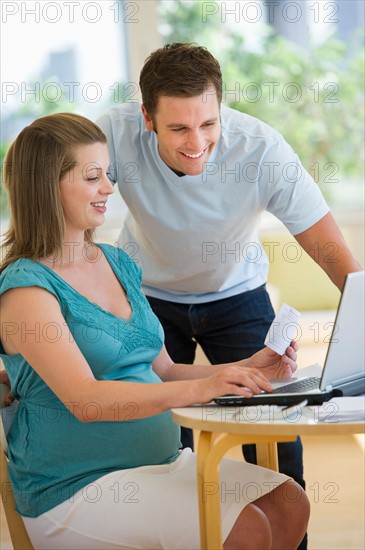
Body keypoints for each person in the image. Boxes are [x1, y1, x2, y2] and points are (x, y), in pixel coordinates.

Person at [0, 112, 309, 549]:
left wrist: (248, 368)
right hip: (77, 488)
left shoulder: (116, 262)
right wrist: (199, 391)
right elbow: (86, 400)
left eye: (108, 173)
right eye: (93, 177)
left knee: (287, 501)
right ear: (46, 187)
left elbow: (163, 371)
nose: (109, 187)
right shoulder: (26, 290)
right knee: (246, 529)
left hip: (162, 464)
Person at [96, 42, 362, 549]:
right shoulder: (112, 134)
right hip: (149, 297)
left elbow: (332, 252)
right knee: (164, 444)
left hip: (236, 295)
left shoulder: (261, 148)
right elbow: (64, 214)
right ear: (147, 118)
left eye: (209, 124)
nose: (197, 141)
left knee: (277, 442)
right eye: (178, 128)